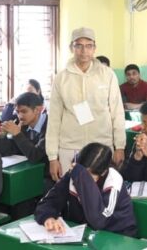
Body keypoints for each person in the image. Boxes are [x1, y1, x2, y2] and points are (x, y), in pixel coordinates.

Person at [46, 28, 125, 182]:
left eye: (89, 46)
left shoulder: (107, 74)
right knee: (71, 190)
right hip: (70, 147)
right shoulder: (61, 78)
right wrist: (52, 157)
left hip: (102, 146)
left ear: (94, 48)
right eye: (79, 46)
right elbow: (54, 119)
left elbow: (117, 113)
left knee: (101, 190)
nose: (84, 51)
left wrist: (120, 146)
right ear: (71, 48)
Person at [35, 142, 136, 236]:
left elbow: (99, 221)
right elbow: (47, 203)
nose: (83, 179)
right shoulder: (74, 174)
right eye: (83, 174)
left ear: (103, 172)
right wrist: (48, 218)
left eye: (88, 176)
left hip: (116, 236)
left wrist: (83, 177)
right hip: (83, 234)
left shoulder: (113, 181)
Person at [0, 91, 48, 165]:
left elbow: (36, 156)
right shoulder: (21, 123)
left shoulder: (50, 126)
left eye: (24, 111)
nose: (20, 116)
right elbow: (6, 152)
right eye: (17, 112)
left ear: (37, 110)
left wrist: (18, 134)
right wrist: (2, 135)